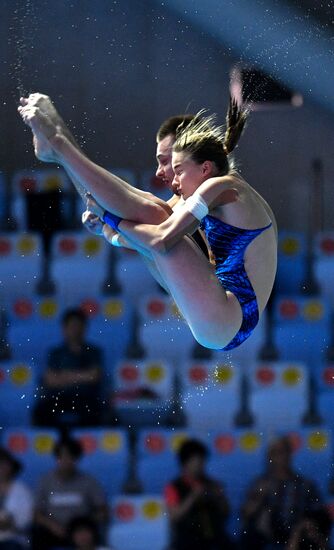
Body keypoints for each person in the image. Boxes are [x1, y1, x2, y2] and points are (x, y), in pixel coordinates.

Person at [18, 93, 277, 351]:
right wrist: (109, 230)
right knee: (153, 212)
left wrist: (109, 222)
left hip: (228, 319)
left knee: (154, 218)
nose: (170, 179)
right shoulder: (216, 187)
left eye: (175, 167)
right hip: (222, 310)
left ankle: (59, 147)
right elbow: (137, 221)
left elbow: (160, 239)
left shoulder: (223, 188)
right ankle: (59, 149)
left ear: (204, 166)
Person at [241, 436, 323, 549]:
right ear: (269, 457)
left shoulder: (305, 485)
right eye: (275, 453)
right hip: (268, 536)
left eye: (284, 452)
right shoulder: (261, 483)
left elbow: (318, 515)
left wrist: (301, 529)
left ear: (290, 454)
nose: (281, 457)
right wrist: (260, 497)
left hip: (299, 535)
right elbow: (246, 515)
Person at [33, 437, 109, 550]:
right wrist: (53, 526)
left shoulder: (89, 482)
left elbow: (103, 511)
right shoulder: (45, 481)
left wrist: (84, 526)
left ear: (77, 459)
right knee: (37, 536)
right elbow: (37, 514)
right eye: (62, 456)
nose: (66, 461)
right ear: (57, 458)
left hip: (80, 531)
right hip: (53, 530)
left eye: (71, 457)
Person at [34, 308, 104, 427]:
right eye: (71, 326)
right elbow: (50, 380)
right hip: (59, 398)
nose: (75, 330)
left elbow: (94, 376)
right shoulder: (55, 353)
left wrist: (63, 376)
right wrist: (82, 376)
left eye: (78, 326)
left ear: (84, 328)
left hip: (86, 398)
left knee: (96, 414)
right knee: (40, 412)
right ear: (64, 328)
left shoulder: (94, 351)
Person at [164, 439, 232, 550]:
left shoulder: (212, 484)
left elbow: (226, 512)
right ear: (186, 462)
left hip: (214, 537)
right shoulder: (173, 487)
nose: (202, 465)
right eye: (198, 461)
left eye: (203, 461)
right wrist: (193, 496)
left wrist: (220, 498)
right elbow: (174, 516)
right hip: (187, 539)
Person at [0, 448, 33, 549]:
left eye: (4, 464)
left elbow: (26, 519)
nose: (2, 468)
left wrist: (10, 523)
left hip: (13, 539)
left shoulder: (23, 491)